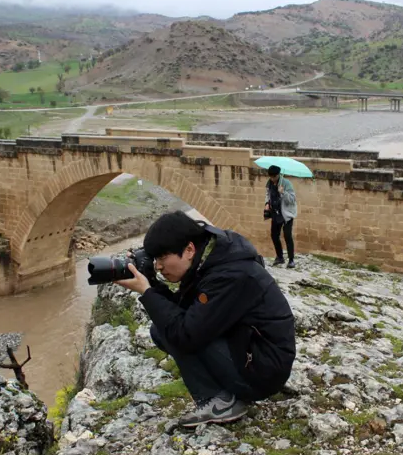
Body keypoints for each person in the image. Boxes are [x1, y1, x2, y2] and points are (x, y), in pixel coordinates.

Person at [114, 211, 296, 428]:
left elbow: (185, 334)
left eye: (162, 258)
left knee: (174, 333)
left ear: (189, 249)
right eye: (155, 260)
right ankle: (224, 392)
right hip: (250, 352)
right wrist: (152, 283)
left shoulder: (229, 274)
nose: (159, 266)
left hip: (263, 372)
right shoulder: (209, 260)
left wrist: (147, 293)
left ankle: (219, 401)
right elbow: (184, 311)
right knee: (161, 329)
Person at [263, 165, 297, 268]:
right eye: (270, 176)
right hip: (275, 213)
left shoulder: (286, 183)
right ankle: (280, 257)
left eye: (274, 177)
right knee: (274, 235)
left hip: (286, 214)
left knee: (287, 236)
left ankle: (291, 260)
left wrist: (283, 192)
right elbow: (268, 195)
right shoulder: (269, 183)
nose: (272, 179)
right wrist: (267, 203)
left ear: (278, 175)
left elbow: (292, 200)